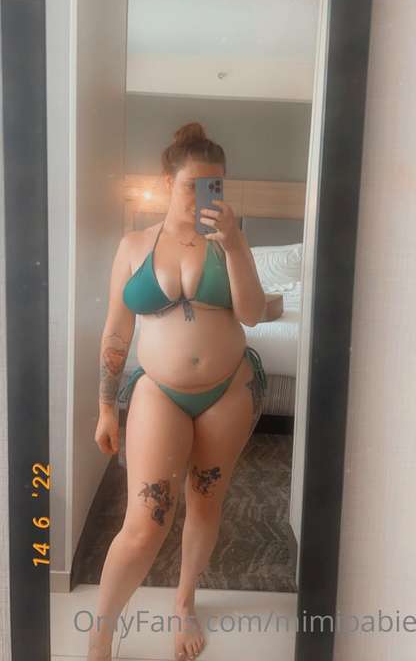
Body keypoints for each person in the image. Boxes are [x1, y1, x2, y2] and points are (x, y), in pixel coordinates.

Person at [88, 123, 267, 661]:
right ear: (168, 182)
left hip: (227, 390)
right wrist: (105, 407)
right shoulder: (133, 246)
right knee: (144, 524)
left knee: (205, 504)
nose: (204, 197)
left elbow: (253, 314)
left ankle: (185, 602)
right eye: (193, 185)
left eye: (216, 186)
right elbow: (116, 330)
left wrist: (235, 244)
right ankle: (100, 633)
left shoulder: (230, 242)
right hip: (159, 392)